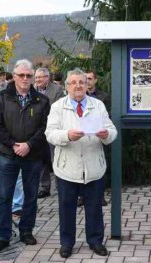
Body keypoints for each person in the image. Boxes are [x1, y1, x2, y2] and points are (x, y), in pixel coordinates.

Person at [45, 68, 117, 258]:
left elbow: (112, 130)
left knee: (94, 207)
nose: (78, 85)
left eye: (82, 82)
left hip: (94, 167)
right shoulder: (58, 107)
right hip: (67, 168)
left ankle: (95, 241)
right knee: (66, 207)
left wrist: (106, 134)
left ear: (88, 85)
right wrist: (67, 135)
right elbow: (50, 133)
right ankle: (67, 243)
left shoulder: (98, 105)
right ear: (67, 86)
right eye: (73, 82)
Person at [0, 59, 50, 252]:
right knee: (5, 196)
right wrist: (13, 144)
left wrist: (29, 145)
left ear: (33, 77)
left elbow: (45, 127)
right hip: (8, 153)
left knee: (30, 196)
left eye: (28, 76)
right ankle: (2, 235)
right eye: (21, 75)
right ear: (14, 76)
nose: (25, 78)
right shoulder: (1, 98)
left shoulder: (42, 100)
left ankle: (26, 231)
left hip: (32, 155)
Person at [77, 69, 111, 207]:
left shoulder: (103, 97)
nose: (88, 81)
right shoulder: (77, 97)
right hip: (82, 137)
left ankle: (100, 195)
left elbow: (108, 115)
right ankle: (82, 196)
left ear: (95, 80)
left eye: (90, 79)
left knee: (99, 167)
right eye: (85, 79)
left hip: (98, 137)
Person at [34, 67, 64, 199]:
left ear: (47, 77)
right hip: (38, 131)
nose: (38, 80)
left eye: (40, 77)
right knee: (41, 161)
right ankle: (44, 187)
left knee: (55, 159)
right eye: (36, 78)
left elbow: (59, 110)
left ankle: (60, 187)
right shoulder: (32, 90)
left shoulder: (57, 90)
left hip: (53, 129)